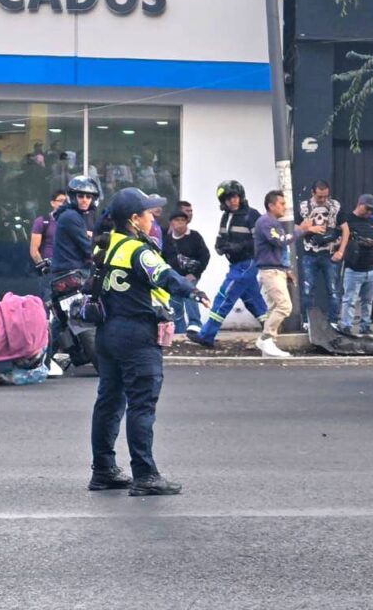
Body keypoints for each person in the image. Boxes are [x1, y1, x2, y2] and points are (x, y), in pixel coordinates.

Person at [89, 188, 209, 497]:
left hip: (106, 334)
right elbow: (165, 276)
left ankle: (103, 470)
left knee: (109, 401)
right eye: (147, 213)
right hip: (136, 336)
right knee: (141, 405)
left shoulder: (105, 245)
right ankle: (145, 475)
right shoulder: (137, 250)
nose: (151, 217)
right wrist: (193, 292)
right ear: (133, 219)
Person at [187, 181, 268, 348]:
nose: (233, 201)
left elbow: (260, 241)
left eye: (235, 197)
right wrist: (220, 246)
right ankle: (270, 332)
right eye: (229, 198)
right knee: (253, 299)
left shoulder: (251, 215)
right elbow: (221, 237)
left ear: (240, 196)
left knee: (224, 297)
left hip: (247, 263)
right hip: (235, 263)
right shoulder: (226, 216)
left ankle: (206, 335)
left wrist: (240, 246)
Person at [255, 190, 316, 357]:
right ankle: (266, 338)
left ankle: (268, 347)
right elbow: (280, 241)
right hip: (270, 271)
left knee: (274, 306)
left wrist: (286, 269)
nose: (285, 207)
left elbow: (279, 248)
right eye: (281, 204)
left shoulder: (272, 222)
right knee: (284, 305)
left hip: (276, 269)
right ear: (271, 205)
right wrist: (301, 230)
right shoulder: (267, 222)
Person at [297, 181, 343, 330]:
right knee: (307, 289)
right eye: (319, 196)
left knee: (334, 290)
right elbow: (295, 228)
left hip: (330, 253)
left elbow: (345, 228)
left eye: (325, 196)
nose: (323, 199)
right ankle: (307, 321)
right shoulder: (304, 207)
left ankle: (333, 321)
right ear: (312, 193)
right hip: (310, 253)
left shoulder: (335, 206)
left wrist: (341, 250)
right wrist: (311, 229)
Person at [336, 195, 373, 335]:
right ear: (359, 204)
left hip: (372, 266)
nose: (369, 212)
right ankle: (346, 325)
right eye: (367, 208)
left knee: (368, 301)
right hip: (354, 267)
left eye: (371, 209)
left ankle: (365, 325)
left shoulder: (372, 222)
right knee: (349, 299)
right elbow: (341, 239)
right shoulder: (348, 220)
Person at [162, 210, 211, 334]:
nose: (181, 223)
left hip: (190, 276)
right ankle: (179, 330)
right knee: (175, 302)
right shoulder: (167, 240)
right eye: (177, 220)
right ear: (171, 223)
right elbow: (163, 258)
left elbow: (205, 256)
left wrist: (195, 274)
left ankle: (195, 325)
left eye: (183, 220)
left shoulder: (194, 236)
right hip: (174, 277)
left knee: (191, 296)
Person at [51, 175, 101, 274]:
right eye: (81, 196)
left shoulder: (72, 214)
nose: (85, 200)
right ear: (73, 197)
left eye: (88, 197)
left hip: (72, 270)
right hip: (73, 273)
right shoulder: (71, 216)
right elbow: (88, 249)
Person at [30, 190, 66, 281]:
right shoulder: (42, 221)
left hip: (69, 270)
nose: (64, 204)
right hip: (50, 270)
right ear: (52, 203)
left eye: (66, 201)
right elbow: (34, 250)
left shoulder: (73, 222)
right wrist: (44, 268)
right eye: (61, 201)